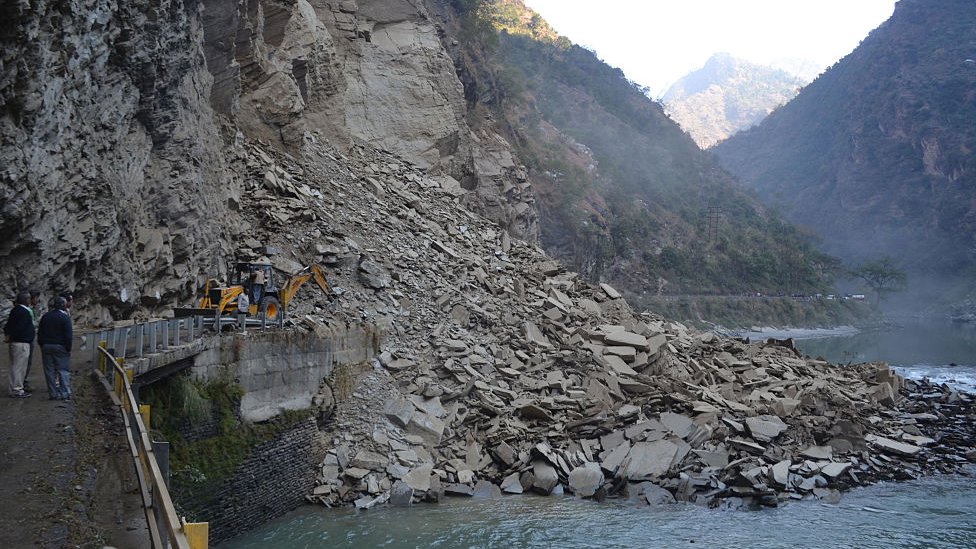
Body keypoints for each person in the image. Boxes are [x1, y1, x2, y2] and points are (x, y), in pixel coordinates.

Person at [38, 296, 73, 401]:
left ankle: (52, 394)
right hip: (60, 347)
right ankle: (65, 394)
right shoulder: (65, 318)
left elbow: (40, 333)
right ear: (64, 305)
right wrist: (68, 348)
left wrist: (42, 345)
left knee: (49, 371)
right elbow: (68, 335)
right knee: (63, 370)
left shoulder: (45, 317)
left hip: (46, 346)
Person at [3, 291, 35, 397]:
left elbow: (8, 326)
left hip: (15, 342)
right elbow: (20, 328)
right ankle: (17, 389)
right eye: (29, 299)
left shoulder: (15, 310)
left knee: (14, 366)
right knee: (19, 367)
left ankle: (13, 388)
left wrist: (8, 336)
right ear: (26, 300)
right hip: (22, 343)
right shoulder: (24, 312)